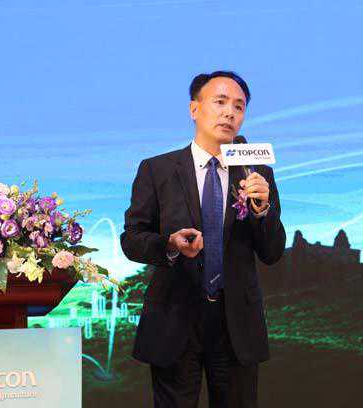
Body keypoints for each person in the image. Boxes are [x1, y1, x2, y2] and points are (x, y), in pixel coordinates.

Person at [120, 70, 286, 407]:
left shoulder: (257, 173)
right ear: (194, 109)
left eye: (238, 107)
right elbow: (132, 238)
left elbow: (272, 251)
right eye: (220, 102)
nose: (229, 113)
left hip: (236, 325)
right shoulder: (157, 170)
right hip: (175, 319)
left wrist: (262, 210)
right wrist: (169, 245)